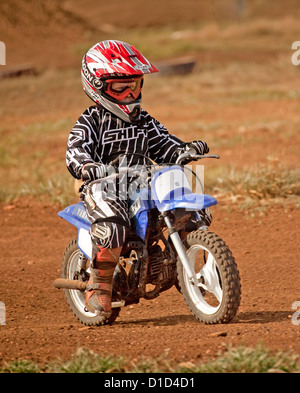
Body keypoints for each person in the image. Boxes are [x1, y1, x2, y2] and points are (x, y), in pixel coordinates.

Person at [66, 40, 211, 317]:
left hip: (142, 183)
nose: (130, 93)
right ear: (97, 86)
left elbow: (164, 144)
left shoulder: (144, 121)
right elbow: (75, 151)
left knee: (188, 210)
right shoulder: (90, 122)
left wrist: (184, 150)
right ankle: (100, 286)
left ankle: (186, 267)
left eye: (135, 84)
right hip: (105, 186)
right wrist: (86, 166)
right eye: (120, 88)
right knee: (113, 227)